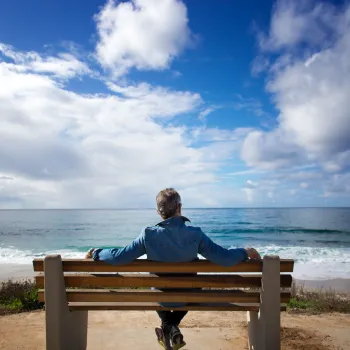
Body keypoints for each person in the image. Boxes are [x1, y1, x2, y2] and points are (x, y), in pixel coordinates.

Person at [86, 188, 261, 350]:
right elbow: (225, 259)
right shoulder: (195, 234)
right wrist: (246, 251)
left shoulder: (148, 234)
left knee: (156, 287)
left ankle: (167, 326)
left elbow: (119, 257)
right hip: (188, 296)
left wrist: (96, 252)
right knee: (193, 287)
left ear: (158, 212)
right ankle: (171, 326)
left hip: (159, 296)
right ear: (179, 207)